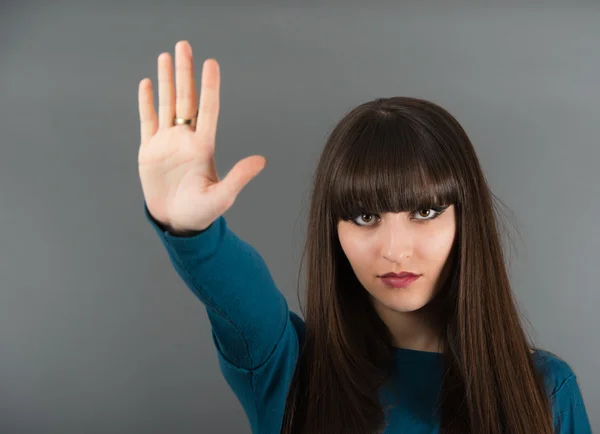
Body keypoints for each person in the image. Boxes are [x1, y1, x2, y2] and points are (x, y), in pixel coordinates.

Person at [136, 40, 592, 434]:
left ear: (465, 220)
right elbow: (243, 301)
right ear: (332, 231)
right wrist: (192, 231)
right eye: (365, 216)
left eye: (426, 211)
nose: (395, 249)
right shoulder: (292, 371)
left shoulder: (544, 390)